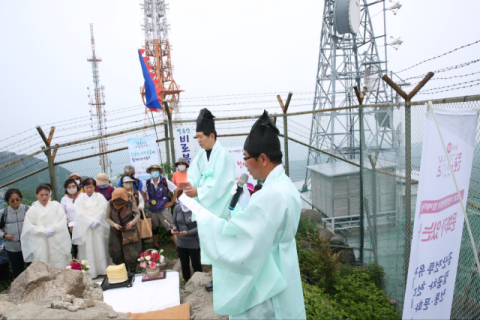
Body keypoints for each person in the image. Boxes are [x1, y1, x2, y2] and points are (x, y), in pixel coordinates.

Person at [191, 110, 306, 319]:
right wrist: (245, 211)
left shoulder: (269, 196)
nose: (244, 164)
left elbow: (241, 240)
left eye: (246, 158)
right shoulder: (286, 186)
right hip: (285, 264)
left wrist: (205, 221)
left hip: (268, 276)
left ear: (262, 158)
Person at [184, 108, 236, 291]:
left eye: (200, 137)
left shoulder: (222, 155)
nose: (198, 141)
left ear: (211, 135)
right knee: (212, 244)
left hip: (219, 209)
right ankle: (217, 277)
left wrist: (199, 191)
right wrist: (189, 187)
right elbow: (193, 175)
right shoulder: (200, 155)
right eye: (196, 137)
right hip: (207, 207)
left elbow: (221, 184)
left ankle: (225, 279)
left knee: (221, 244)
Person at [21, 184, 72, 269]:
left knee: (59, 260)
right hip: (41, 240)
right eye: (41, 195)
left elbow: (62, 219)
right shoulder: (32, 210)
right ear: (37, 195)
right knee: (44, 262)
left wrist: (54, 228)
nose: (44, 197)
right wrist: (42, 231)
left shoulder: (56, 205)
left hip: (57, 238)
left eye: (46, 194)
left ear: (49, 194)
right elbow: (29, 226)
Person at [72, 178, 110, 278]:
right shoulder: (79, 199)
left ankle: (103, 268)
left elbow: (104, 209)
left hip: (98, 226)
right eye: (87, 187)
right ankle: (90, 271)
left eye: (91, 187)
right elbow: (79, 213)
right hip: (86, 227)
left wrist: (97, 220)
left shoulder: (100, 197)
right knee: (88, 248)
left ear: (95, 187)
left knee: (100, 246)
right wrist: (90, 221)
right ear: (83, 188)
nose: (89, 189)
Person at [105, 188, 142, 273]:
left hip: (129, 231)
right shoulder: (110, 204)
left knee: (131, 251)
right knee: (117, 251)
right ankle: (122, 270)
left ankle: (133, 269)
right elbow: (107, 218)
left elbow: (137, 214)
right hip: (116, 232)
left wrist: (132, 223)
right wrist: (114, 225)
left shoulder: (130, 202)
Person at [141, 164, 177, 250]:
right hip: (152, 209)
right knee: (154, 227)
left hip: (163, 208)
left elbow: (176, 190)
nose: (154, 172)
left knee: (170, 227)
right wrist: (146, 201)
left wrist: (172, 202)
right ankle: (155, 245)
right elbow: (143, 192)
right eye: (152, 170)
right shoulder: (147, 182)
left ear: (159, 171)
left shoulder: (165, 181)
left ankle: (179, 247)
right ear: (150, 172)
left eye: (156, 170)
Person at [171, 190, 202, 282]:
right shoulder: (177, 208)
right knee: (184, 263)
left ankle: (198, 281)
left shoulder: (196, 208)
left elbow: (200, 227)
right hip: (181, 242)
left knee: (196, 263)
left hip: (193, 242)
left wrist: (187, 233)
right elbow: (173, 222)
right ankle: (186, 280)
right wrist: (174, 228)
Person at [0, 189, 30, 278]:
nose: (15, 202)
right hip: (12, 247)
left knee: (32, 268)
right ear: (7, 201)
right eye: (12, 200)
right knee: (18, 271)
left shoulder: (28, 210)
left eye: (18, 199)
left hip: (29, 245)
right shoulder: (3, 213)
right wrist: (4, 235)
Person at [60, 179, 80, 259]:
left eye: (73, 186)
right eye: (69, 187)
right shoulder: (64, 199)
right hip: (71, 227)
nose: (71, 188)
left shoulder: (82, 196)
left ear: (77, 186)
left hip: (82, 225)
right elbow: (62, 213)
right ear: (66, 188)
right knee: (75, 247)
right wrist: (66, 221)